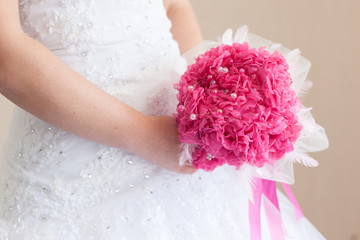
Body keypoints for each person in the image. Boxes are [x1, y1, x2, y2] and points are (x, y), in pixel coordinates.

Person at [0, 0, 326, 239]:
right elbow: (6, 52)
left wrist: (211, 106)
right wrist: (144, 136)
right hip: (72, 159)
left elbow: (175, 7)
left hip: (181, 147)